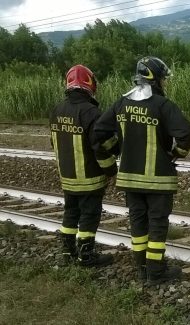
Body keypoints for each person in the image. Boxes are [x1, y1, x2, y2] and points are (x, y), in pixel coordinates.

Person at [94, 56, 190, 285]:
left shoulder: (121, 103)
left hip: (130, 179)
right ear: (156, 79)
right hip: (158, 180)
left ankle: (142, 269)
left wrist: (117, 149)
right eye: (163, 79)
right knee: (157, 226)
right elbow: (185, 135)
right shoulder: (163, 106)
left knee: (138, 225)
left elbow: (99, 134)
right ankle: (156, 274)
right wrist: (175, 154)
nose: (164, 83)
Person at [49, 64, 115, 267]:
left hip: (67, 177)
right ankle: (86, 256)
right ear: (90, 84)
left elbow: (54, 143)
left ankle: (68, 252)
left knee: (70, 212)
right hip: (90, 178)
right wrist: (111, 169)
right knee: (89, 215)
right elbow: (100, 148)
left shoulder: (57, 110)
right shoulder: (91, 112)